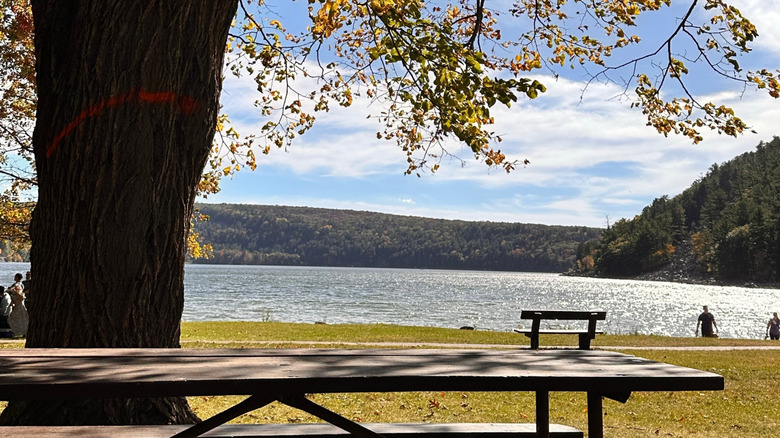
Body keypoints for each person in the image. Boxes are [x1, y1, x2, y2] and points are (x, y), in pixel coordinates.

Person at [7, 273, 28, 337]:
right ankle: (22, 332)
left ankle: (18, 331)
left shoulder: (17, 285)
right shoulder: (21, 284)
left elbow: (17, 293)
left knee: (13, 318)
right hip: (19, 303)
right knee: (22, 318)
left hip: (18, 303)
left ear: (17, 277)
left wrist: (10, 290)